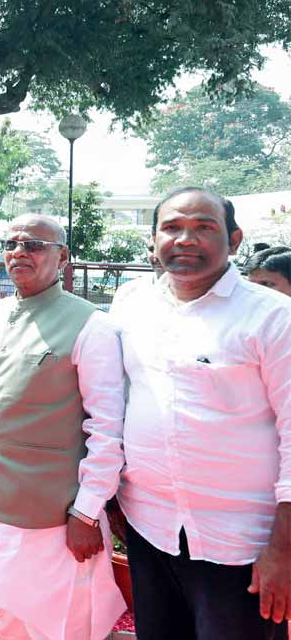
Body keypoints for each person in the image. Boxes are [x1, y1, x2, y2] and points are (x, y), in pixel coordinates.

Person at [111, 188, 291, 639]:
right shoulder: (130, 305)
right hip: (149, 528)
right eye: (172, 228)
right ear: (152, 241)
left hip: (241, 544)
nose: (186, 239)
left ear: (234, 240)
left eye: (204, 228)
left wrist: (284, 550)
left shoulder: (273, 317)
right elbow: (114, 401)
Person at [0, 214, 126, 640]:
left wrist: (86, 511)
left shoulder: (92, 326)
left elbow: (107, 430)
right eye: (11, 244)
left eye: (35, 245)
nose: (19, 252)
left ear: (63, 257)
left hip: (51, 514)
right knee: (9, 620)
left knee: (56, 625)